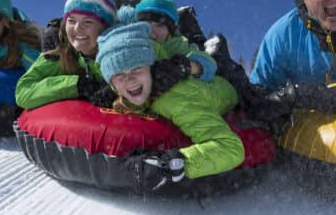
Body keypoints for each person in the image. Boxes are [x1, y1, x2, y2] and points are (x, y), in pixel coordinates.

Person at [96, 20, 244, 191]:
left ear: (151, 69)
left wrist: (170, 165)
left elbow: (230, 148)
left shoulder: (174, 100)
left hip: (225, 89)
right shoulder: (127, 94)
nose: (129, 79)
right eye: (119, 75)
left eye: (137, 69)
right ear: (112, 85)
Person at [134, 0, 217, 81]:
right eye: (146, 26)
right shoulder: (131, 47)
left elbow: (209, 66)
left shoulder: (180, 47)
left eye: (160, 26)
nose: (151, 33)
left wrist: (186, 67)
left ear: (170, 31)